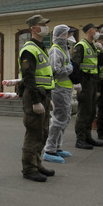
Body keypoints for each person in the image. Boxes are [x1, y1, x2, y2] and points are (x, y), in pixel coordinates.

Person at [17, 15, 57, 180]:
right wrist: (35, 101)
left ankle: (37, 163)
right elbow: (29, 78)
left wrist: (48, 98)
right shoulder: (29, 49)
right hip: (35, 96)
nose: (45, 27)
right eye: (42, 25)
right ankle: (29, 169)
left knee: (43, 132)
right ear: (33, 28)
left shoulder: (41, 47)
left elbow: (45, 76)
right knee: (34, 133)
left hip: (44, 95)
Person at [42, 24, 75, 164]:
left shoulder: (64, 49)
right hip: (59, 88)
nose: (69, 36)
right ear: (61, 35)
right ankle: (49, 150)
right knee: (58, 119)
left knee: (65, 118)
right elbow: (55, 70)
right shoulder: (56, 51)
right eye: (67, 34)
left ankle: (57, 147)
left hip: (66, 88)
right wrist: (70, 68)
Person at [71, 23, 103, 150]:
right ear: (90, 31)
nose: (97, 32)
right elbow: (75, 64)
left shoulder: (94, 46)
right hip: (85, 80)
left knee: (91, 111)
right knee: (84, 111)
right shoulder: (81, 45)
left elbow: (100, 64)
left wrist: (101, 51)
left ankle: (88, 136)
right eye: (95, 30)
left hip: (93, 80)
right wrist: (76, 81)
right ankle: (80, 139)